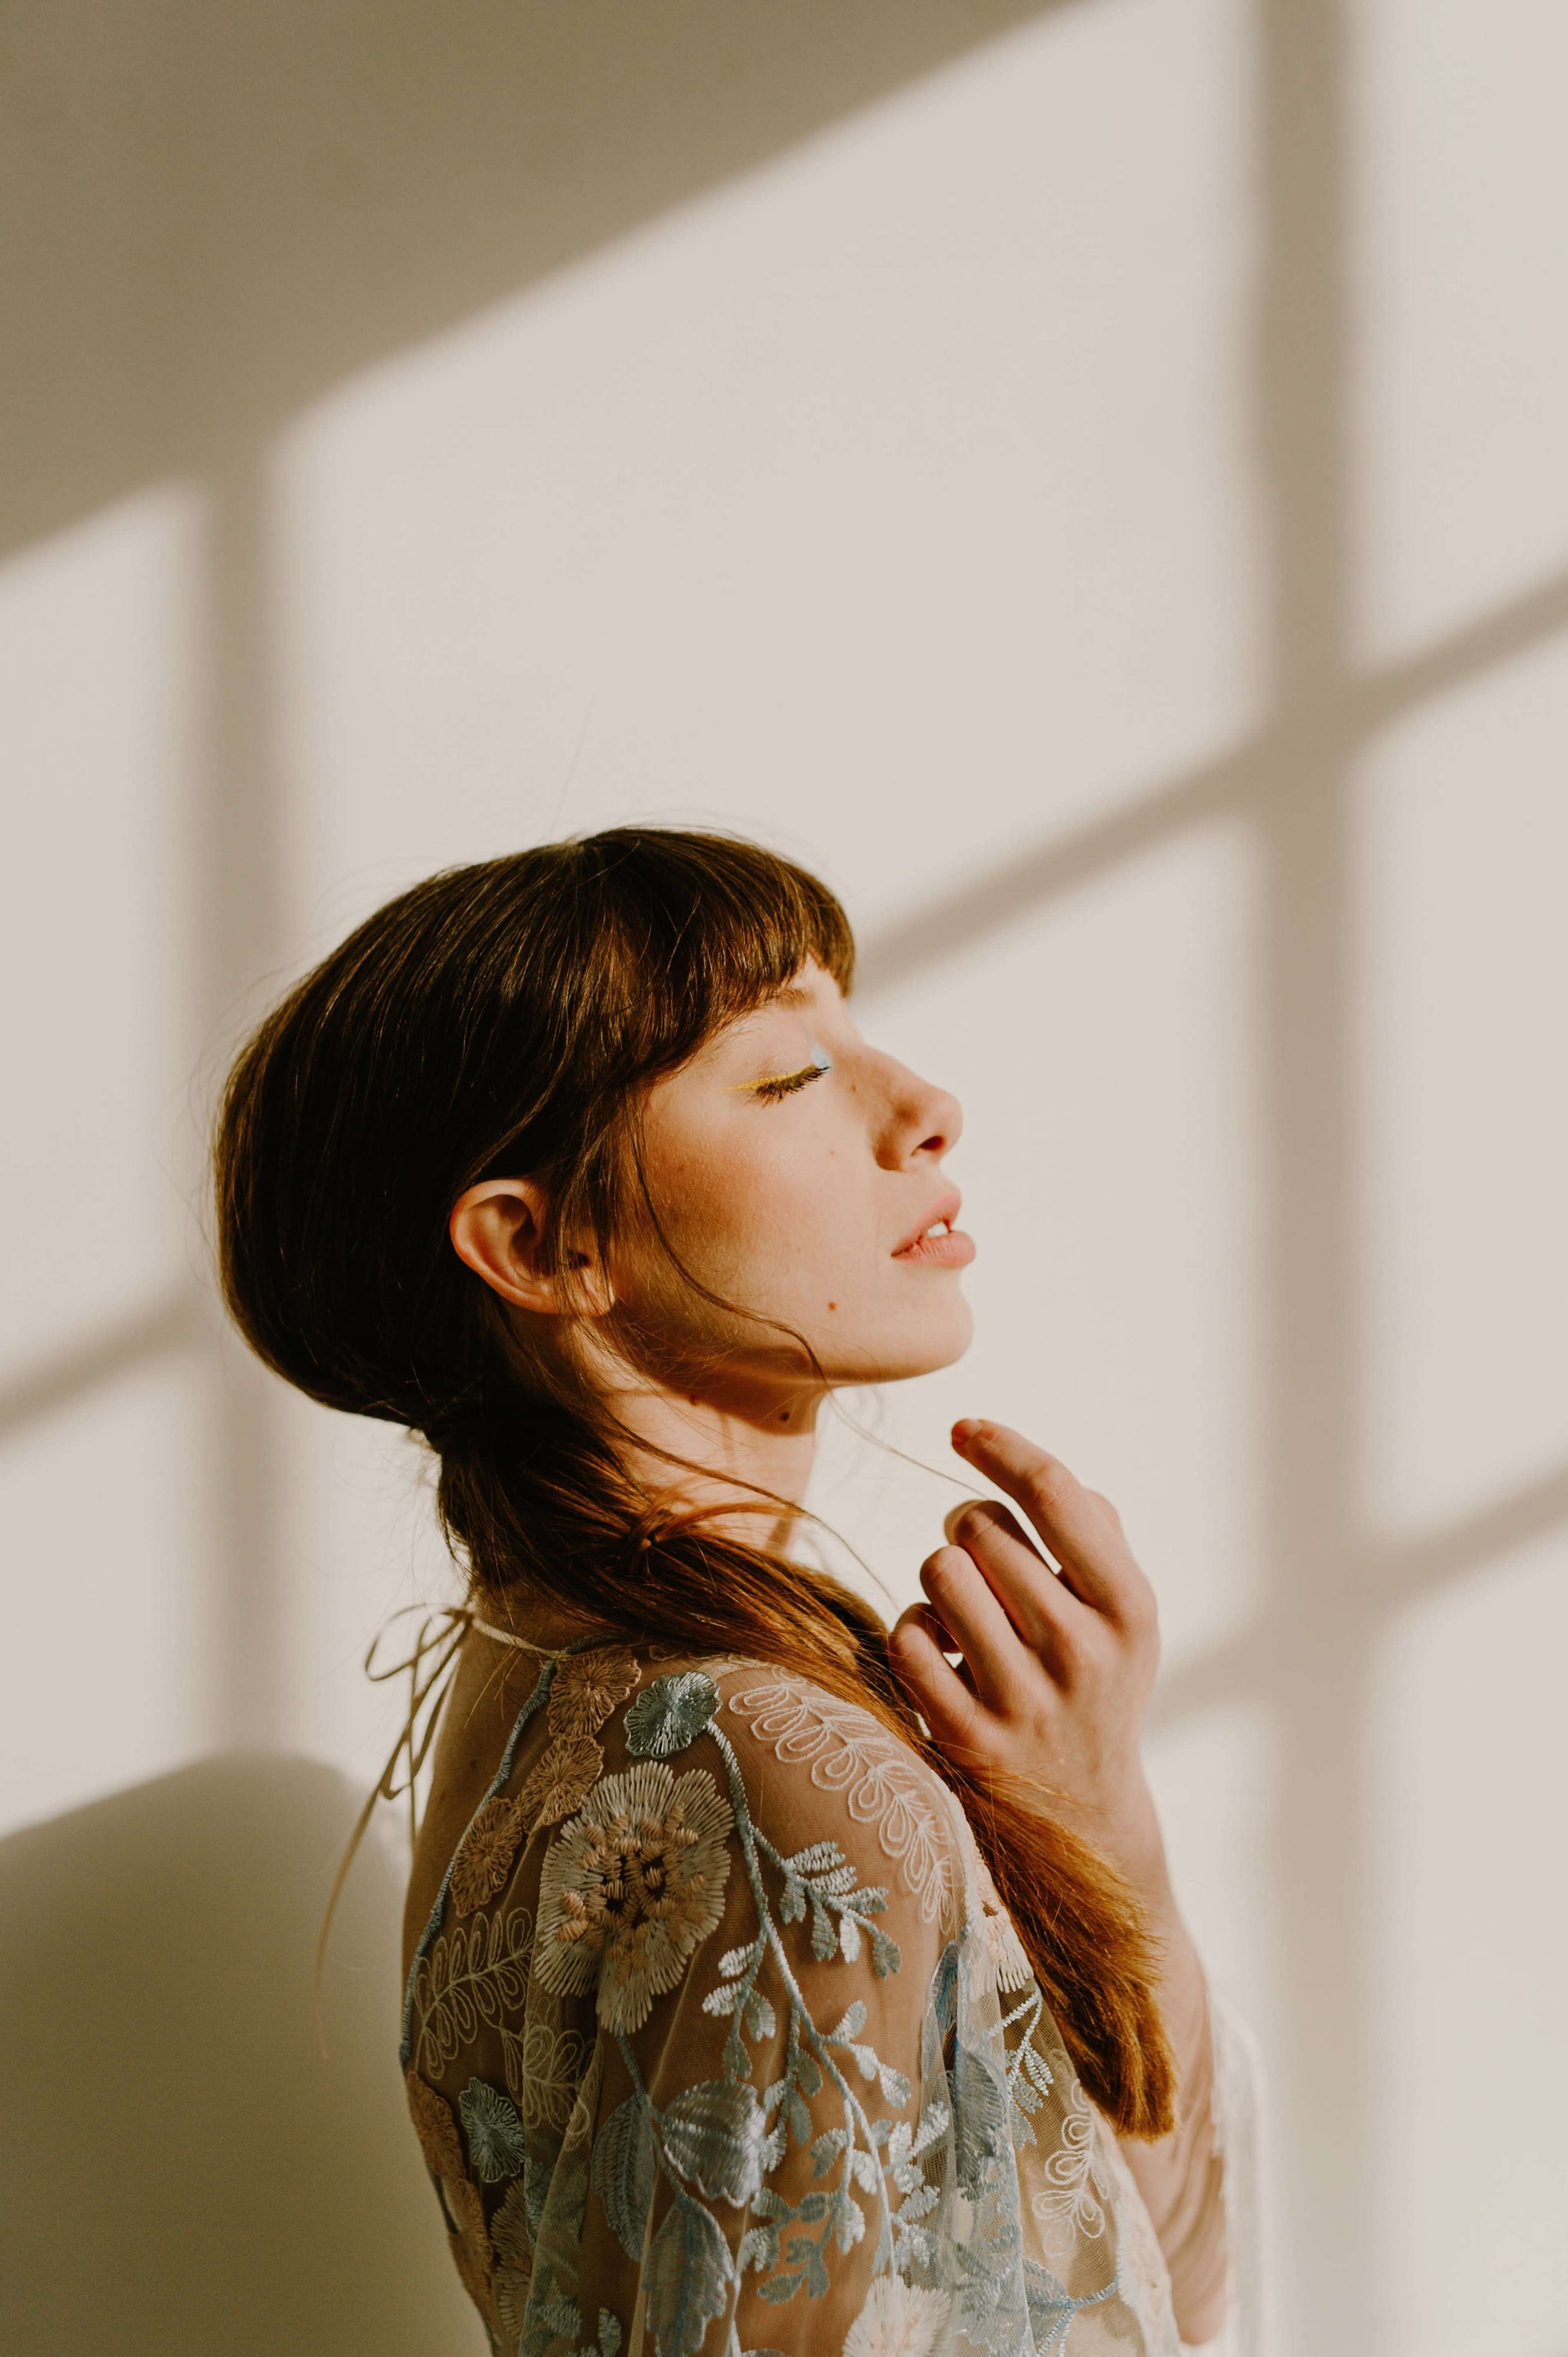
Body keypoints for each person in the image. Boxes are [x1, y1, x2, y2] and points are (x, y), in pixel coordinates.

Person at [213, 827, 1258, 2357]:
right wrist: (1099, 1830)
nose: (924, 1107)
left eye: (854, 1027)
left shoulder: (526, 1686)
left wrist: (1092, 1825)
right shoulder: (769, 1770)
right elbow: (1168, 2304)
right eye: (786, 1076)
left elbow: (1110, 2269)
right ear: (542, 1242)